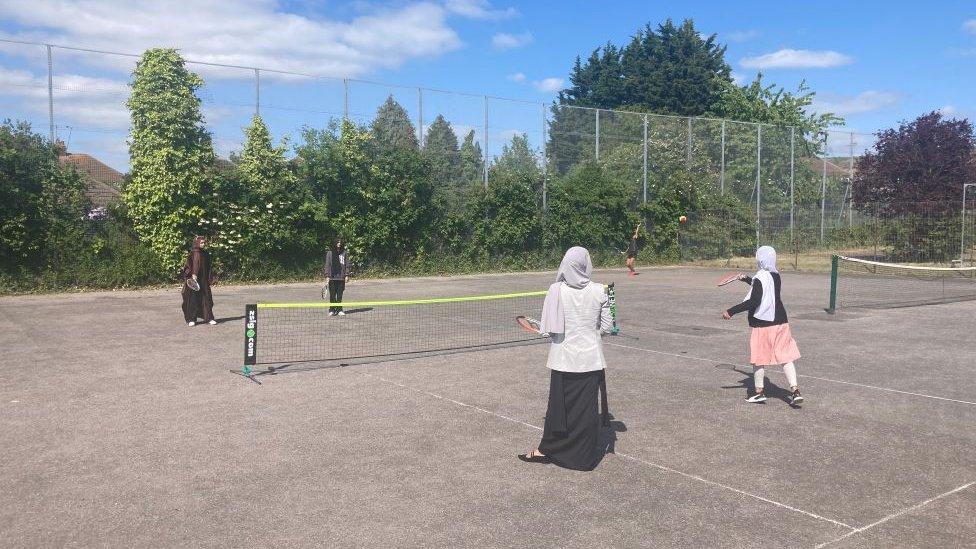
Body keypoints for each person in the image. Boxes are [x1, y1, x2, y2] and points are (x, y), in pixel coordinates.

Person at [519, 246, 613, 470]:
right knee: (586, 411)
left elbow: (546, 330)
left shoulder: (555, 290)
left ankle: (547, 450)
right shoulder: (604, 290)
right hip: (591, 360)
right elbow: (609, 327)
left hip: (563, 360)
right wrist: (589, 334)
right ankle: (583, 457)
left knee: (559, 410)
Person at [722, 246, 803, 405]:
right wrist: (745, 278)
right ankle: (795, 391)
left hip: (763, 324)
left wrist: (731, 311)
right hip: (781, 322)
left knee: (759, 359)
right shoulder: (776, 275)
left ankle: (759, 392)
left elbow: (754, 301)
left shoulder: (760, 278)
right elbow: (762, 287)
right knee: (786, 357)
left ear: (760, 260)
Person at [181, 235, 216, 326]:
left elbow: (209, 267)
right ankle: (191, 319)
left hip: (203, 280)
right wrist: (191, 274)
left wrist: (210, 279)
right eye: (201, 243)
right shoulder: (192, 254)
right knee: (193, 300)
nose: (203, 244)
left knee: (206, 298)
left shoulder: (205, 254)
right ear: (197, 243)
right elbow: (187, 267)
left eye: (204, 242)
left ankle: (209, 318)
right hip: (193, 282)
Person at [323, 238, 350, 316]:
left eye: (340, 242)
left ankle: (339, 310)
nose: (339, 243)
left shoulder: (345, 253)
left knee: (339, 295)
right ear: (334, 243)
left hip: (341, 277)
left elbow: (347, 265)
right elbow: (327, 265)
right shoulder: (330, 253)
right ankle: (332, 309)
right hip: (332, 277)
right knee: (332, 295)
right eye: (337, 242)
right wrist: (327, 275)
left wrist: (347, 275)